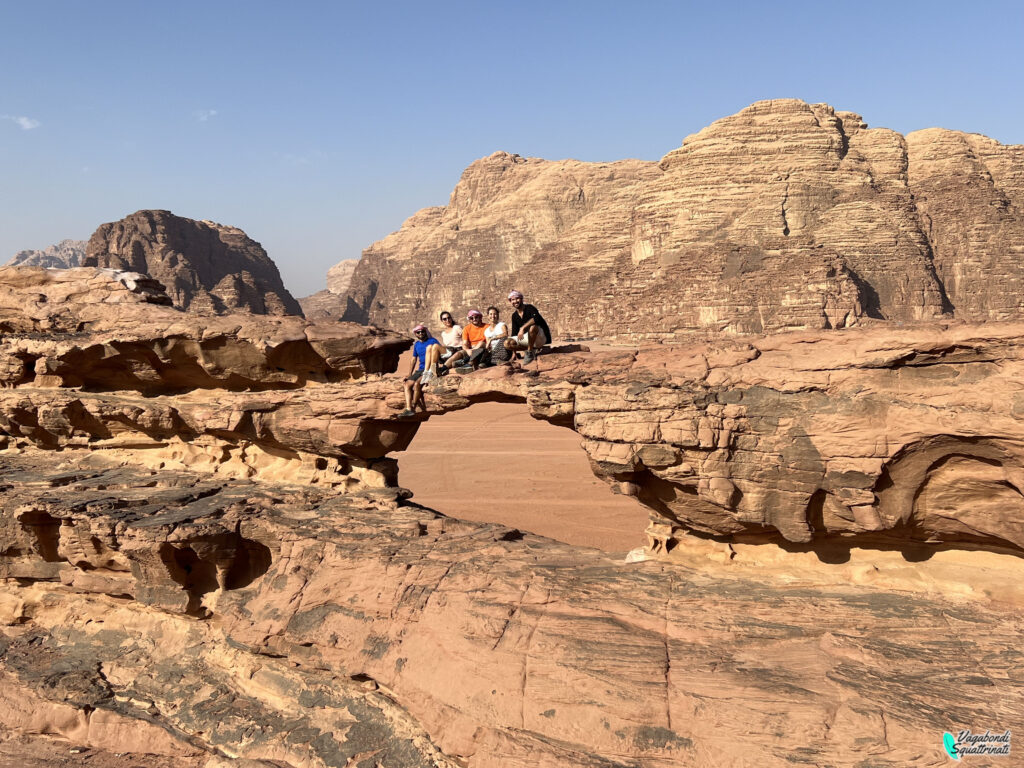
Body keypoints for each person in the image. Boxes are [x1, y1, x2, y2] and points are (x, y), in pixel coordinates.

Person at [400, 324, 441, 417]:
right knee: (407, 385)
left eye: (422, 331)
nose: (421, 333)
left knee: (417, 384)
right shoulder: (417, 344)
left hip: (430, 369)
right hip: (419, 370)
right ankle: (408, 408)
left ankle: (414, 407)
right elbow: (414, 359)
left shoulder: (432, 341)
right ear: (415, 334)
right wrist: (409, 374)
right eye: (418, 332)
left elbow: (440, 352)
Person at [504, 290, 551, 364]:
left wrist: (522, 328)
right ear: (510, 301)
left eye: (517, 298)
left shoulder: (530, 308)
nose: (515, 301)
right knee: (507, 343)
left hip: (539, 337)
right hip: (528, 339)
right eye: (512, 299)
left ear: (521, 299)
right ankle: (532, 349)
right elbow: (514, 334)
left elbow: (536, 318)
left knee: (533, 327)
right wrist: (514, 353)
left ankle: (529, 352)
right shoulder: (514, 316)